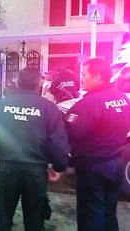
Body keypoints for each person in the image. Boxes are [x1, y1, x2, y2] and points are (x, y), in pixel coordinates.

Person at [0, 67, 70, 231]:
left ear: (18, 83)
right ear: (39, 84)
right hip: (36, 172)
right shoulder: (48, 108)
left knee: (2, 216)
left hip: (7, 170)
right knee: (35, 219)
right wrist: (58, 166)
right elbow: (58, 142)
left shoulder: (1, 106)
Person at [64, 58, 130, 231]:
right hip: (116, 161)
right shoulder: (122, 98)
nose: (81, 78)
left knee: (91, 212)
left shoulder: (88, 104)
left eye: (84, 74)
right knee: (109, 210)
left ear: (97, 77)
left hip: (93, 166)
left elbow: (71, 133)